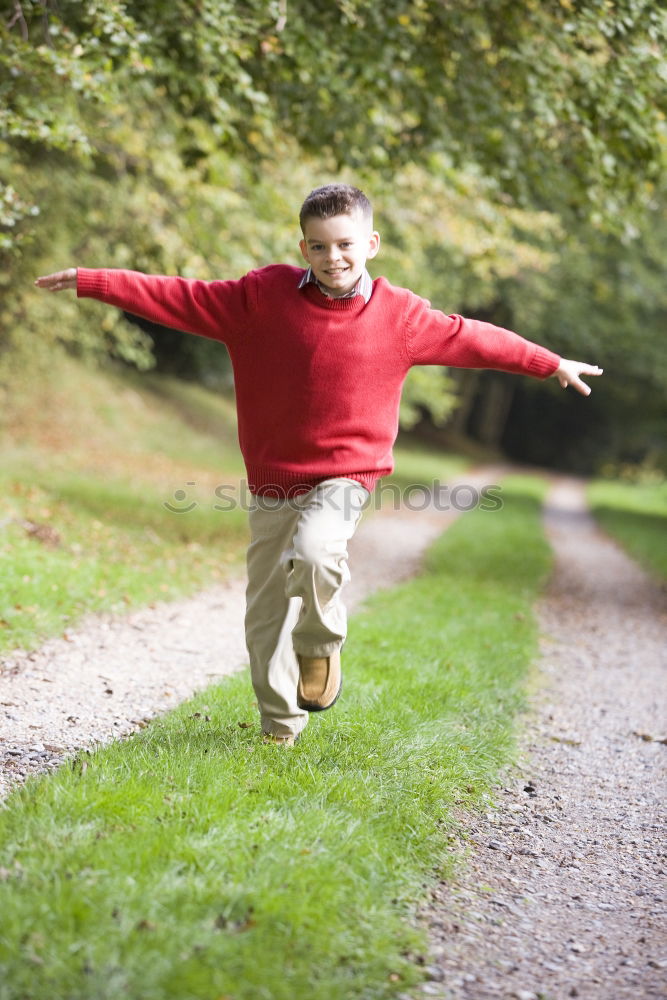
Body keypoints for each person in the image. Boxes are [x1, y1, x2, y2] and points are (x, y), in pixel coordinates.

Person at [35, 183, 603, 746]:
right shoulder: (261, 299)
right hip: (271, 480)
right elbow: (177, 295)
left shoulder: (399, 316)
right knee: (263, 615)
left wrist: (548, 362)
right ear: (303, 247)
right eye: (320, 246)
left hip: (346, 475)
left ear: (371, 243)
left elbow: (473, 339)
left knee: (315, 551)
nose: (335, 258)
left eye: (346, 245)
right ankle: (281, 729)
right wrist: (95, 281)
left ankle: (320, 646)